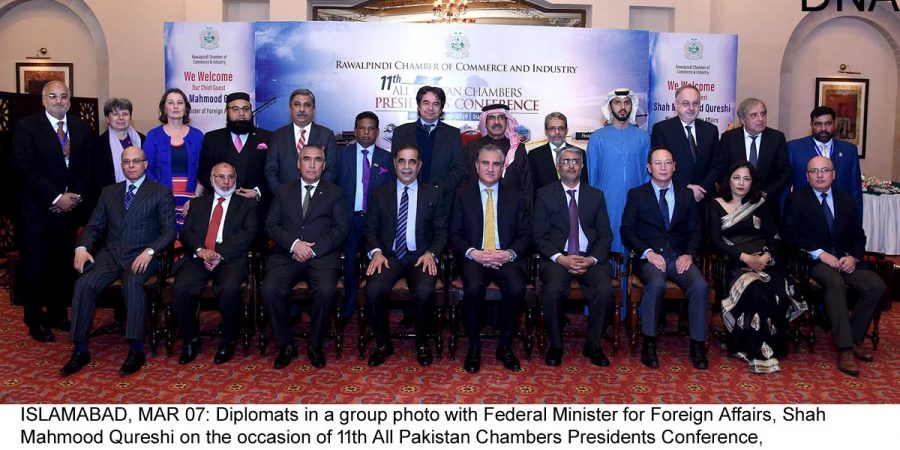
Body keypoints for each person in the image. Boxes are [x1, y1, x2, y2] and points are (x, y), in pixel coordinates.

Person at [60, 146, 176, 376]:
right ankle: (80, 349)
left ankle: (136, 350)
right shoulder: (109, 192)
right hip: (111, 254)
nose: (131, 166)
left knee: (132, 285)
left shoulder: (160, 192)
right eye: (126, 162)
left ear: (145, 165)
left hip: (142, 255)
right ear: (121, 165)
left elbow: (169, 231)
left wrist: (150, 251)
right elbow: (93, 227)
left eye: (136, 161)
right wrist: (81, 249)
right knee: (84, 284)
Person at [783, 156, 886, 377]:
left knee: (876, 286)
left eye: (825, 170)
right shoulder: (797, 199)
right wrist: (820, 254)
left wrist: (853, 257)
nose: (820, 175)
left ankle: (854, 338)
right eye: (814, 171)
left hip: (844, 261)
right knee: (835, 283)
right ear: (807, 176)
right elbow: (790, 235)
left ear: (834, 174)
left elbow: (858, 236)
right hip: (813, 261)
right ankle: (845, 349)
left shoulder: (845, 199)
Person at [12, 80, 93, 342]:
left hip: (69, 212)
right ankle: (34, 319)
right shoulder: (26, 127)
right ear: (43, 100)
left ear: (70, 100)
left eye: (63, 96)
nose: (59, 101)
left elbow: (87, 167)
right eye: (53, 96)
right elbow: (25, 168)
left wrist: (73, 197)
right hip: (37, 211)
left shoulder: (81, 127)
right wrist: (56, 197)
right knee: (35, 266)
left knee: (61, 266)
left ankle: (59, 314)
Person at [709, 161, 805, 373]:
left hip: (764, 262)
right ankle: (752, 348)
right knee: (756, 288)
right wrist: (745, 258)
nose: (741, 183)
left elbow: (773, 236)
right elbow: (715, 241)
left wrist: (766, 256)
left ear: (752, 182)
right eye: (736, 178)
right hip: (735, 263)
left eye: (746, 179)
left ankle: (773, 345)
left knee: (776, 287)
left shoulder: (759, 204)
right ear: (728, 180)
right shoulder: (716, 205)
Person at [261, 145, 348, 370]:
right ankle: (285, 343)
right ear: (298, 163)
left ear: (324, 165)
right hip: (286, 254)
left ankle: (315, 343)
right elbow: (271, 225)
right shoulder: (283, 191)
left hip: (321, 256)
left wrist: (312, 250)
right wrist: (294, 244)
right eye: (306, 159)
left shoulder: (335, 192)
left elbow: (340, 229)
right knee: (269, 289)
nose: (311, 164)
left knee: (326, 291)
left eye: (317, 160)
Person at [621, 148, 709, 370]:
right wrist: (648, 252)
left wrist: (689, 254)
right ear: (649, 167)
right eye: (658, 163)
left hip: (679, 257)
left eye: (667, 162)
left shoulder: (685, 194)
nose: (663, 167)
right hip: (649, 258)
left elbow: (695, 231)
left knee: (700, 286)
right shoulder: (637, 194)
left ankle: (698, 345)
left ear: (674, 166)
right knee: (656, 283)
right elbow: (627, 230)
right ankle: (649, 343)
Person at [363, 145, 447, 367]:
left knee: (425, 291)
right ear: (394, 164)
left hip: (420, 256)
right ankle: (383, 344)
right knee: (373, 290)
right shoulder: (380, 193)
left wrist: (432, 253)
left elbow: (441, 232)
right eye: (402, 161)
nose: (407, 167)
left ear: (419, 166)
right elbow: (370, 229)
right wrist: (376, 252)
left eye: (412, 162)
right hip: (388, 256)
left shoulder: (433, 193)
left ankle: (422, 343)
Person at [450, 144, 531, 373]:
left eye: (496, 164)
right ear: (476, 166)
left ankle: (504, 345)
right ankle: (474, 346)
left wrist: (509, 254)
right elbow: (454, 234)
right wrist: (473, 252)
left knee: (517, 287)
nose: (490, 168)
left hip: (505, 257)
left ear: (503, 168)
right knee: (474, 286)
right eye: (485, 163)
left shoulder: (516, 196)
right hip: (474, 257)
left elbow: (526, 235)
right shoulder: (462, 194)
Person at [533, 148, 614, 367]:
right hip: (558, 258)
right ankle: (556, 346)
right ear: (558, 166)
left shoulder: (595, 195)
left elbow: (606, 235)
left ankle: (593, 345)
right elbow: (539, 236)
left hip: (589, 258)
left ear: (582, 166)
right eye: (566, 161)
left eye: (575, 161)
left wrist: (592, 260)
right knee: (552, 290)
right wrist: (561, 258)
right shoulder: (544, 194)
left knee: (605, 291)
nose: (571, 165)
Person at [173, 162, 258, 365]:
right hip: (200, 256)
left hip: (230, 258)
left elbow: (248, 234)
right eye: (221, 177)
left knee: (229, 289)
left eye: (230, 177)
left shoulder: (247, 205)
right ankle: (190, 339)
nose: (226, 182)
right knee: (181, 288)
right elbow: (187, 233)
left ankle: (229, 340)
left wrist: (220, 254)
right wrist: (200, 251)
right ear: (212, 180)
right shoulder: (198, 204)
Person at [334, 111, 394, 319]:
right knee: (350, 266)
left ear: (377, 132)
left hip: (376, 224)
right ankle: (350, 308)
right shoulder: (341, 155)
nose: (366, 132)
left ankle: (371, 310)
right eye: (362, 128)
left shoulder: (387, 158)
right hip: (349, 220)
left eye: (371, 129)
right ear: (355, 130)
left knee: (376, 267)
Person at [586, 88, 650, 255]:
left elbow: (647, 175)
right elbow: (592, 175)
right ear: (610, 107)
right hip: (607, 202)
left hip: (636, 202)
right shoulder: (597, 137)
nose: (622, 107)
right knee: (608, 242)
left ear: (631, 106)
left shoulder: (643, 137)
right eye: (617, 102)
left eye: (626, 102)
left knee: (634, 244)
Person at [785, 106, 862, 222]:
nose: (823, 128)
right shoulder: (794, 149)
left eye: (828, 124)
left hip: (841, 218)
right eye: (818, 124)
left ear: (835, 124)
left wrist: (857, 222)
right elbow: (785, 189)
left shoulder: (849, 150)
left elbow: (855, 190)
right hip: (804, 217)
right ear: (811, 125)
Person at [717, 98, 791, 216]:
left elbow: (785, 173)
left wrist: (765, 194)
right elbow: (721, 171)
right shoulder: (728, 139)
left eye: (763, 114)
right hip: (734, 204)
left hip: (767, 204)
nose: (761, 119)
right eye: (754, 115)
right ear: (742, 120)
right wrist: (735, 193)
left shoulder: (777, 138)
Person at [390, 86, 465, 203]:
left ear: (441, 108)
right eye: (426, 103)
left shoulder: (453, 134)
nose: (430, 108)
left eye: (436, 104)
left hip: (442, 199)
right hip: (407, 197)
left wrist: (438, 188)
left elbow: (459, 168)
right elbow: (394, 165)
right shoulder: (401, 132)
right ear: (418, 106)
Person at [198, 91, 273, 208]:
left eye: (246, 109)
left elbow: (274, 172)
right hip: (221, 206)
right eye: (235, 109)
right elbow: (203, 173)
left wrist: (258, 192)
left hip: (257, 207)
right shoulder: (212, 138)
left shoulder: (267, 138)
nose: (241, 113)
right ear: (227, 112)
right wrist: (222, 190)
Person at [144, 88, 205, 227]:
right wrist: (160, 198)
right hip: (161, 200)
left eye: (180, 102)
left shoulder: (198, 136)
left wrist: (195, 199)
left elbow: (203, 170)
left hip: (191, 200)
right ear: (164, 108)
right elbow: (147, 170)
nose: (176, 106)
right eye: (171, 102)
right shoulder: (153, 135)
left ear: (186, 108)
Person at [650, 85, 720, 203]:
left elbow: (717, 164)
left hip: (704, 198)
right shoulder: (662, 129)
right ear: (676, 105)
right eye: (686, 103)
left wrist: (701, 188)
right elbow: (662, 166)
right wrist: (687, 188)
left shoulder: (711, 130)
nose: (691, 108)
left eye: (695, 103)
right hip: (675, 196)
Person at [265, 88, 337, 191]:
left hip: (319, 197)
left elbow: (331, 170)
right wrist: (282, 194)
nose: (302, 109)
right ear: (290, 108)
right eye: (297, 104)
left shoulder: (327, 135)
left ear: (313, 109)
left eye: (307, 105)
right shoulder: (277, 136)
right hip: (285, 197)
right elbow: (270, 170)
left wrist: (317, 194)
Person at [463, 104, 532, 197]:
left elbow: (526, 184)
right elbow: (464, 181)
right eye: (491, 118)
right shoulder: (471, 147)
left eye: (501, 117)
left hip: (511, 203)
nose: (497, 122)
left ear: (507, 122)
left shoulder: (518, 148)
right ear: (485, 123)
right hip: (476, 202)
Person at [92, 98, 145, 195]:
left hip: (142, 195)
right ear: (107, 118)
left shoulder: (142, 139)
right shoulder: (97, 145)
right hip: (110, 197)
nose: (121, 118)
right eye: (115, 114)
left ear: (130, 117)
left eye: (125, 114)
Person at [529, 111, 588, 194]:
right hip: (545, 201)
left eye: (561, 128)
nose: (557, 132)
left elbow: (584, 184)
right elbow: (531, 188)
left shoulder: (580, 153)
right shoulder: (534, 155)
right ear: (546, 132)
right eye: (552, 128)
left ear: (566, 131)